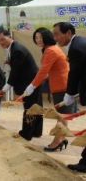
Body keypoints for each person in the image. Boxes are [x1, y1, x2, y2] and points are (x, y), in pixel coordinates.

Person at [25, 27, 73, 150]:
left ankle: (57, 141)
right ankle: (62, 138)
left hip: (62, 85)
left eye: (41, 37)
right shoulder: (48, 50)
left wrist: (33, 85)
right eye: (36, 38)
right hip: (59, 84)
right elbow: (48, 72)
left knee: (61, 115)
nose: (38, 40)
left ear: (47, 37)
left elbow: (43, 70)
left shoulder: (51, 50)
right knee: (60, 115)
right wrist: (41, 80)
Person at [51, 22, 86, 172]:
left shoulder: (76, 48)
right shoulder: (79, 43)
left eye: (57, 34)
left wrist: (69, 93)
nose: (55, 38)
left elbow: (74, 73)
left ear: (69, 33)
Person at [0, 30, 42, 140]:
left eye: (3, 39)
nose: (1, 42)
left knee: (30, 108)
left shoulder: (17, 50)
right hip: (31, 80)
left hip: (30, 82)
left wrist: (7, 86)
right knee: (36, 107)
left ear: (10, 37)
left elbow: (16, 70)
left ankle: (26, 134)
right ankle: (36, 131)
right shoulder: (13, 48)